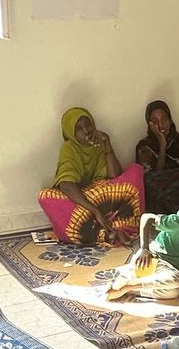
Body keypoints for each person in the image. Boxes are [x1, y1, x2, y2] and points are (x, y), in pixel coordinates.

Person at [37, 106, 143, 247]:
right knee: (45, 196)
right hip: (80, 199)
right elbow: (66, 185)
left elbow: (114, 175)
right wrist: (95, 211)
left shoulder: (98, 143)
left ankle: (118, 228)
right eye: (79, 128)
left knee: (135, 170)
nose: (86, 131)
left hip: (102, 195)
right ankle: (106, 232)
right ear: (71, 132)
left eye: (88, 125)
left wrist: (107, 142)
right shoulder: (69, 148)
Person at [134, 99, 179, 214]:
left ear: (170, 120)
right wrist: (162, 146)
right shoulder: (144, 148)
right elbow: (154, 178)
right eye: (155, 121)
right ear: (149, 124)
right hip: (160, 194)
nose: (161, 125)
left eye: (164, 119)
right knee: (153, 183)